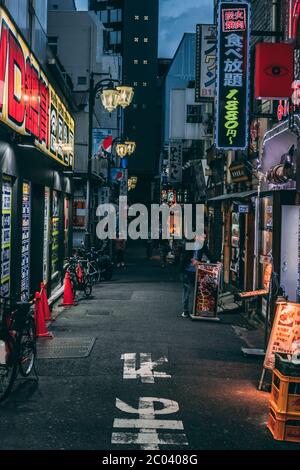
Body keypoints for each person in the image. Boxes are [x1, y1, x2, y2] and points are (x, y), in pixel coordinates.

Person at [179, 233, 213, 318]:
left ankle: (196, 309)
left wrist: (217, 261)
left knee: (198, 291)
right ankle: (185, 310)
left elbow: (209, 255)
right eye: (201, 237)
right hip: (186, 271)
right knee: (187, 290)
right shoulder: (189, 244)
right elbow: (185, 255)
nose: (203, 239)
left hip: (197, 271)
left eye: (204, 237)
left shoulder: (203, 245)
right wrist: (193, 260)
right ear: (195, 236)